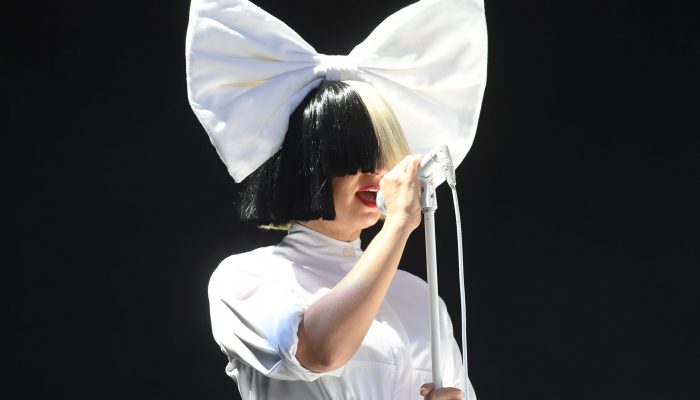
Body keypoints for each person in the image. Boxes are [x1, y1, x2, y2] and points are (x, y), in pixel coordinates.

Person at [185, 1, 488, 399]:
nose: (376, 171)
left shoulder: (418, 298)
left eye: (385, 153)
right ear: (308, 165)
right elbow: (319, 351)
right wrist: (397, 226)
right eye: (355, 156)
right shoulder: (245, 279)